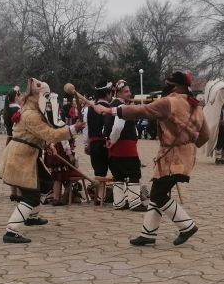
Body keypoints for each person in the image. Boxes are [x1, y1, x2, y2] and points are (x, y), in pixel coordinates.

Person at [93, 70, 210, 247]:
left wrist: (109, 110)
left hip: (172, 159)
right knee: (157, 192)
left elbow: (142, 110)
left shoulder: (169, 102)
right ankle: (148, 233)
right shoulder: (196, 105)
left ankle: (187, 226)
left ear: (175, 86)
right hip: (186, 157)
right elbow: (205, 135)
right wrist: (188, 145)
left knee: (158, 195)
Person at [0, 78, 84, 243]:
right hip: (21, 157)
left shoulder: (30, 110)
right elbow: (49, 133)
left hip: (28, 154)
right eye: (46, 96)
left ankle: (32, 216)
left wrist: (46, 145)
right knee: (31, 195)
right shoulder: (31, 114)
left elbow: (35, 135)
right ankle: (12, 230)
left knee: (46, 183)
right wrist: (73, 129)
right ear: (37, 96)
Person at [103, 80, 146, 211]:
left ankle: (119, 202)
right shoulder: (121, 107)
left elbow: (105, 127)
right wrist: (112, 140)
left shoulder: (111, 106)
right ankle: (134, 202)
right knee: (134, 173)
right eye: (126, 91)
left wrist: (109, 140)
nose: (129, 93)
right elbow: (117, 127)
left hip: (115, 148)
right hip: (125, 147)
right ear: (119, 93)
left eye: (129, 91)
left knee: (119, 175)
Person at [84, 81, 114, 206]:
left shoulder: (88, 109)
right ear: (107, 93)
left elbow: (86, 129)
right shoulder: (110, 109)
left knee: (99, 171)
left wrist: (86, 144)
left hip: (94, 144)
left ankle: (100, 197)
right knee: (115, 170)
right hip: (107, 143)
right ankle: (117, 196)